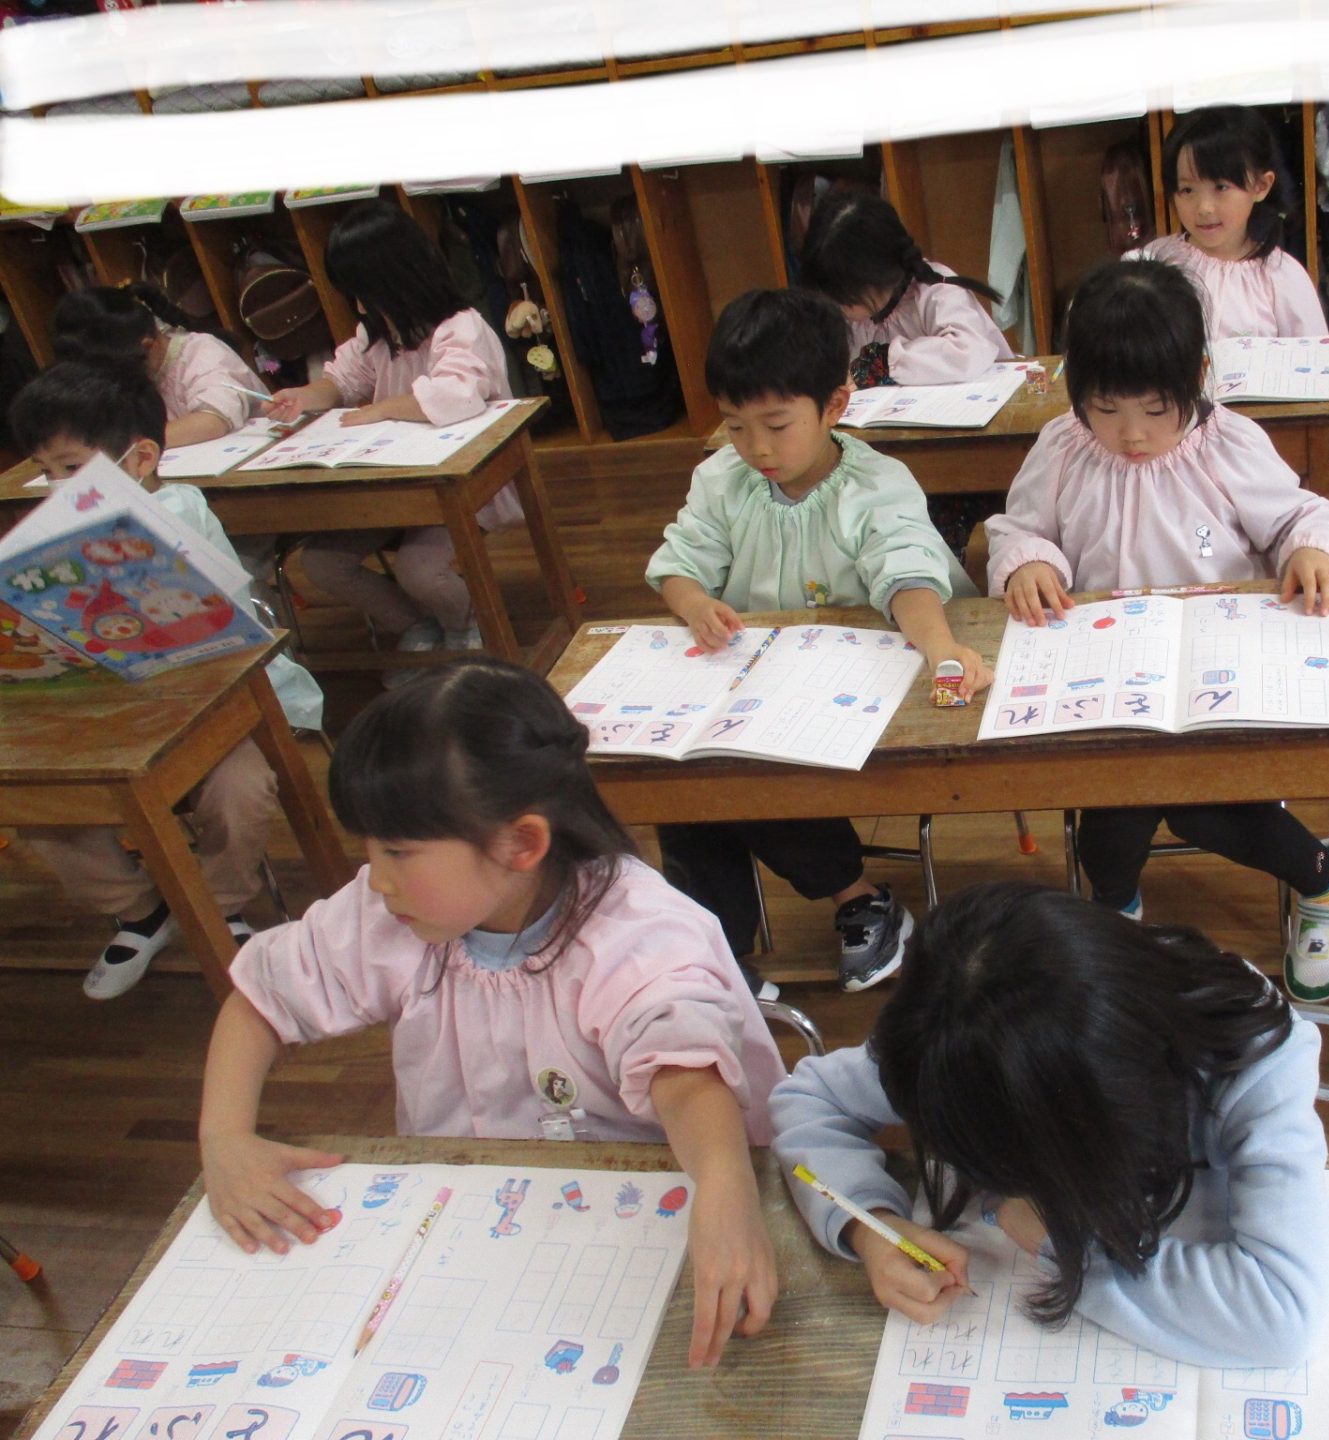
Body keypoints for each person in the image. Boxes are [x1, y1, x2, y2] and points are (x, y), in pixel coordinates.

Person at [196, 657, 784, 1369]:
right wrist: (224, 1137)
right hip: (474, 1225)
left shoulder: (637, 936)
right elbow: (258, 1003)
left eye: (398, 851)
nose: (377, 880)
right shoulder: (393, 915)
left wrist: (723, 1186)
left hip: (644, 1226)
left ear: (521, 843)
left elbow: (686, 1076)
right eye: (370, 850)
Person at [985, 258, 1329, 1002]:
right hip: (1110, 678)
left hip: (1217, 673)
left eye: (1157, 410)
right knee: (1110, 817)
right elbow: (1019, 529)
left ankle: (1325, 875)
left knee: (1198, 802)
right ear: (1074, 390)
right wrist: (1027, 562)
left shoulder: (1227, 445)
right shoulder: (1061, 449)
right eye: (1106, 409)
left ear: (1198, 377)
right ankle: (1118, 909)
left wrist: (1311, 548)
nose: (1131, 435)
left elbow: (1299, 514)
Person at [772, 881, 1329, 1368]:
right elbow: (809, 1097)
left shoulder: (1253, 1057)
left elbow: (1282, 1315)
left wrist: (1059, 1239)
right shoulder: (949, 1029)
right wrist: (873, 1226)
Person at [646, 287, 991, 997]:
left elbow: (906, 575)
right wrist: (695, 601)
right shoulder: (723, 479)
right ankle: (721, 956)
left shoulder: (874, 484)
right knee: (686, 784)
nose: (756, 448)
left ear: (835, 405)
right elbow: (681, 561)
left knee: (749, 776)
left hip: (862, 693)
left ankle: (859, 898)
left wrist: (939, 648)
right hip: (763, 683)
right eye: (735, 426)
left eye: (776, 425)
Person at [8, 362, 324, 999]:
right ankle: (143, 910)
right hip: (105, 714)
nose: (58, 486)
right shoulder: (46, 536)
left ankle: (217, 904)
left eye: (72, 468)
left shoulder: (180, 510)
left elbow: (219, 625)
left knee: (240, 790)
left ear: (141, 458)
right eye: (48, 471)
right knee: (40, 807)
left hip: (212, 703)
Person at [264, 200, 517, 654]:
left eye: (365, 293)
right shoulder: (378, 333)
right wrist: (305, 396)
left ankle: (465, 622)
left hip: (461, 483)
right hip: (395, 484)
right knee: (322, 563)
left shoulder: (459, 327)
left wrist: (382, 410)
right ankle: (415, 622)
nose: (360, 306)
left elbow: (457, 395)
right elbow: (341, 380)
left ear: (400, 280)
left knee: (419, 570)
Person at [1128, 105, 1329, 340]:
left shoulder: (1283, 278)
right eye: (1187, 190)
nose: (1204, 208)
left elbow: (1314, 358)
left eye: (1221, 187)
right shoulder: (1154, 263)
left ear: (1261, 186)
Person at [798, 189, 1013, 388]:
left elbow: (970, 352)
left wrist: (884, 363)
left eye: (845, 298)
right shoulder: (850, 315)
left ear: (878, 275)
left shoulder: (936, 291)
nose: (836, 306)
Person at [53, 283, 267, 448]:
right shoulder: (110, 371)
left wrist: (118, 446)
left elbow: (212, 421)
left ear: (148, 346)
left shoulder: (201, 352)